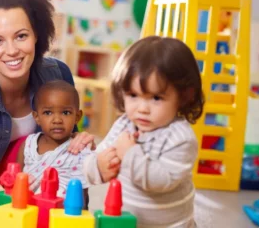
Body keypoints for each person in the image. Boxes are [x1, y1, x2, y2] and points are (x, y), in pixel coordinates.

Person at [0, 0, 95, 207]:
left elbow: (68, 141)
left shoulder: (58, 74)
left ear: (36, 34)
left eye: (21, 36)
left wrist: (80, 141)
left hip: (49, 195)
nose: (12, 50)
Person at [82, 36, 205, 227]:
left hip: (170, 224)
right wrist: (98, 165)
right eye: (133, 95)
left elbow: (160, 181)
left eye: (156, 98)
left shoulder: (181, 138)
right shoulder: (124, 125)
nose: (142, 109)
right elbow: (100, 155)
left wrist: (129, 154)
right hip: (125, 219)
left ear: (183, 96)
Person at [16, 80, 92, 203]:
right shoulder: (28, 145)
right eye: (48, 112)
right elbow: (16, 183)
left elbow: (81, 198)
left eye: (66, 112)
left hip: (62, 216)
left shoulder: (79, 149)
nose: (57, 120)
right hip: (27, 213)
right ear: (37, 117)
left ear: (77, 117)